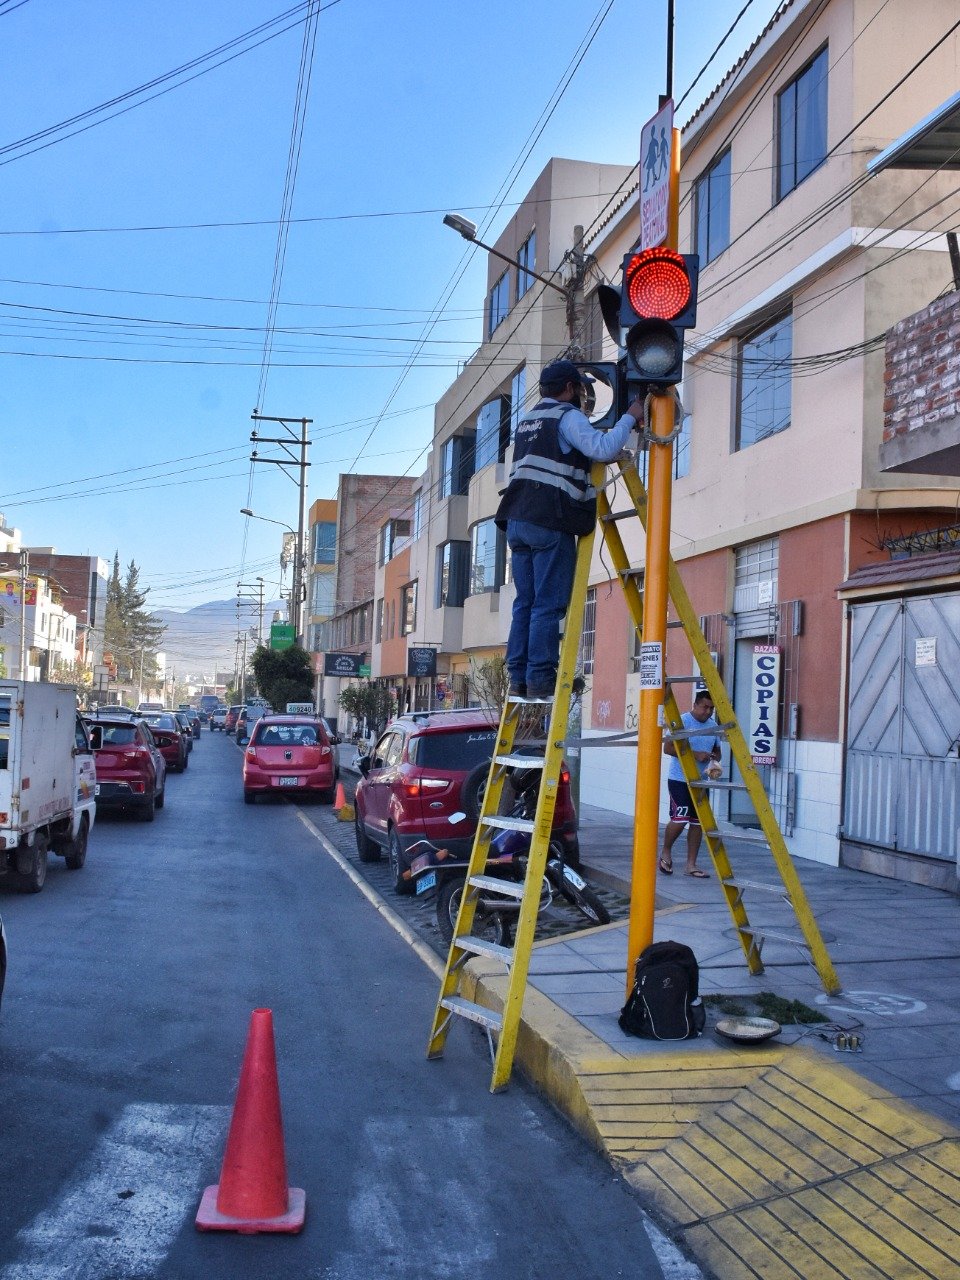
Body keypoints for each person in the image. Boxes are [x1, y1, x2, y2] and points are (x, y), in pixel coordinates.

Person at [495, 359, 644, 699]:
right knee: (547, 605)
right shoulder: (567, 416)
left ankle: (519, 679)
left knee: (526, 603)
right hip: (549, 521)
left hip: (517, 520)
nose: (580, 394)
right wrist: (631, 415)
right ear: (568, 388)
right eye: (578, 388)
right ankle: (541, 681)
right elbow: (602, 449)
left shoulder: (528, 421)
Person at [659, 689, 721, 878]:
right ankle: (666, 852)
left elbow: (717, 751)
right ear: (695, 705)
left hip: (701, 781)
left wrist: (712, 759)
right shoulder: (683, 721)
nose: (708, 712)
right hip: (679, 779)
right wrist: (694, 754)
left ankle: (691, 865)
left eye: (711, 708)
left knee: (697, 822)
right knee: (680, 818)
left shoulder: (713, 726)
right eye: (704, 707)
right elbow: (668, 747)